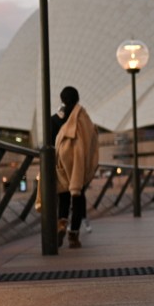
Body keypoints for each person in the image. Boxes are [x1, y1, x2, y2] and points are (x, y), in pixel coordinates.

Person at [54, 86, 99, 249]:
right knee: (78, 199)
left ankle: (61, 226)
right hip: (79, 165)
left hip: (63, 164)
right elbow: (92, 138)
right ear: (77, 98)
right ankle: (74, 235)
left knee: (64, 198)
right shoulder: (84, 117)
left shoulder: (58, 119)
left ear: (62, 100)